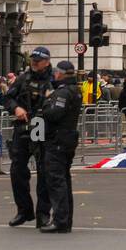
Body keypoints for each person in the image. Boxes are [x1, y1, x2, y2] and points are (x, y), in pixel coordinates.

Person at [2, 45, 55, 228]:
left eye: (38, 60)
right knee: (17, 169)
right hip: (23, 125)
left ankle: (43, 213)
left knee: (42, 170)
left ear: (46, 62)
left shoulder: (53, 79)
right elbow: (8, 98)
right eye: (33, 59)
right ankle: (24, 210)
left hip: (40, 125)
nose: (34, 62)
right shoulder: (23, 78)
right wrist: (16, 108)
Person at [39, 61, 82, 234]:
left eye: (57, 72)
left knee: (57, 181)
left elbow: (54, 114)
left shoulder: (63, 92)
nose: (55, 74)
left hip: (58, 140)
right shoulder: (74, 90)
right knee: (64, 180)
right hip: (66, 138)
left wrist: (46, 102)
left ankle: (61, 220)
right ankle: (65, 219)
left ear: (62, 73)